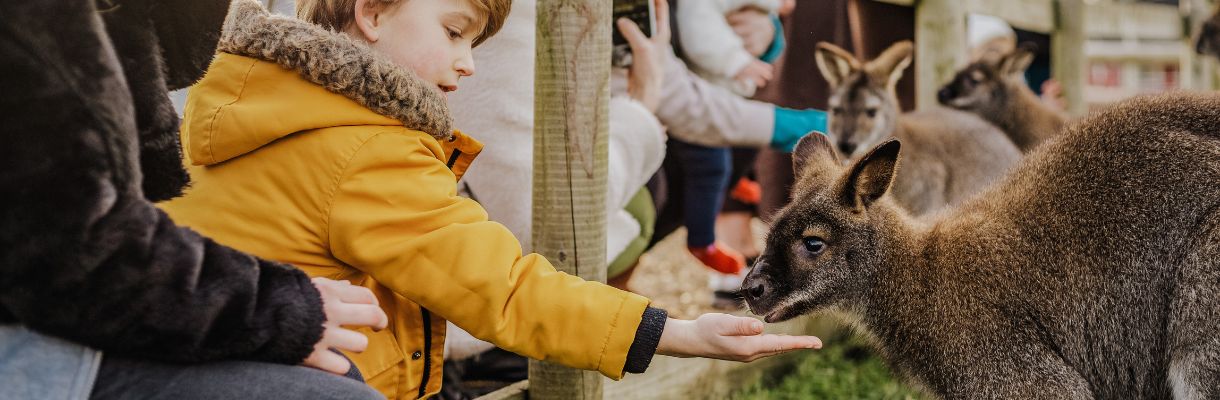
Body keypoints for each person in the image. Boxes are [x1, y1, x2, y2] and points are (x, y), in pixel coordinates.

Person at [159, 1, 824, 399]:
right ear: (371, 11)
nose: (468, 62)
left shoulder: (259, 101)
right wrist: (675, 332)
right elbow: (504, 289)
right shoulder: (366, 147)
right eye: (454, 31)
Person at [0, 0, 388, 399]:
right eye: (449, 32)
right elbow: (75, 254)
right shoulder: (29, 26)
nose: (460, 64)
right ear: (370, 17)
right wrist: (279, 309)